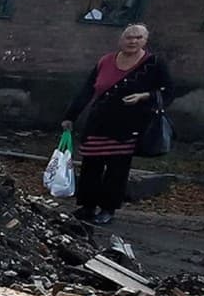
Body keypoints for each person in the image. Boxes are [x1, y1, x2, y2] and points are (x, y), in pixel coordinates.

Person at [61, 23, 171, 225]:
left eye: (138, 37)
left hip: (128, 125)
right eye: (129, 37)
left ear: (145, 41)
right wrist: (70, 116)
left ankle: (107, 209)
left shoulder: (154, 63)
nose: (133, 41)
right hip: (98, 121)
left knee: (116, 170)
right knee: (91, 166)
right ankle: (87, 206)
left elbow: (168, 91)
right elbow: (87, 89)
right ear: (121, 39)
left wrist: (144, 96)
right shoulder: (105, 61)